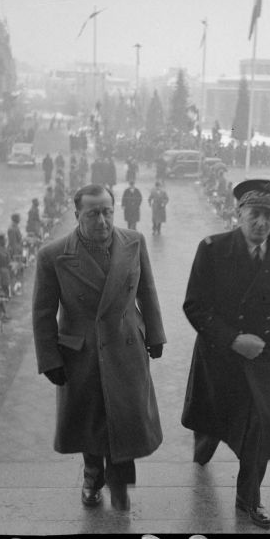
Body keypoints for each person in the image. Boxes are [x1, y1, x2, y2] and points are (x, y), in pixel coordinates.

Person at [181, 179, 270, 529]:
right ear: (239, 214)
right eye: (255, 214)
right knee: (211, 417)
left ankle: (249, 498)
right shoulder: (212, 249)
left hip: (265, 356)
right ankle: (205, 443)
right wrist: (233, 339)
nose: (262, 223)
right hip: (219, 354)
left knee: (260, 429)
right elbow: (194, 305)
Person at [32, 183, 166, 511]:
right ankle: (93, 475)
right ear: (77, 215)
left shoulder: (134, 242)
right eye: (93, 214)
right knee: (90, 420)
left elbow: (147, 291)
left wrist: (156, 335)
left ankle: (121, 483)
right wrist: (49, 358)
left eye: (107, 211)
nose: (102, 221)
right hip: (81, 354)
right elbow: (43, 312)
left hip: (126, 346)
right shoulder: (53, 255)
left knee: (127, 416)